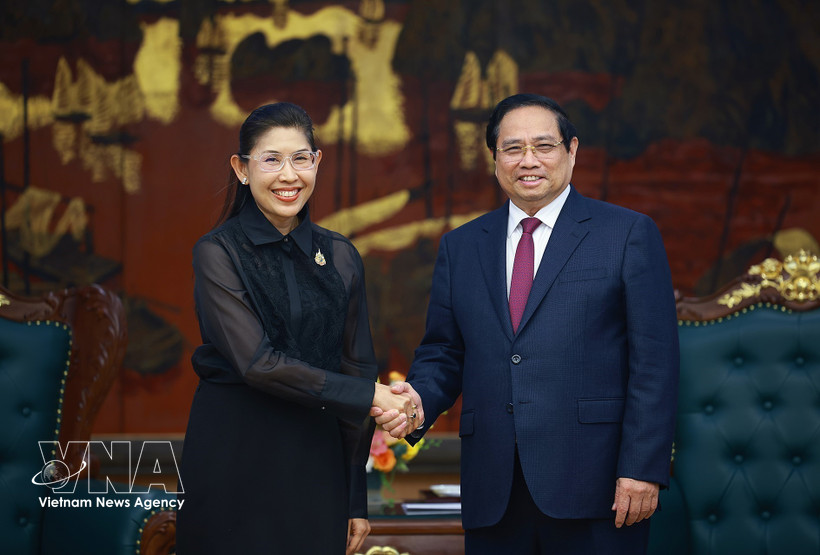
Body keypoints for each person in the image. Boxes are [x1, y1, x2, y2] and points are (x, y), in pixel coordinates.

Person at [373, 94, 680, 554]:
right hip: (493, 489)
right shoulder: (462, 247)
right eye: (513, 148)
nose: (528, 161)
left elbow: (654, 363)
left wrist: (642, 467)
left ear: (571, 150)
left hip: (598, 486)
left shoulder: (627, 234)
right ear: (494, 159)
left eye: (544, 146)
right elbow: (444, 353)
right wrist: (415, 402)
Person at [177, 102, 413, 554]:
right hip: (234, 460)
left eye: (301, 159)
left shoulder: (341, 256)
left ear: (317, 163)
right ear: (242, 169)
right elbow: (257, 363)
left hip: (315, 468)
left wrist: (354, 501)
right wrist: (370, 395)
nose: (289, 175)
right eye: (271, 160)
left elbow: (358, 369)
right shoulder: (218, 253)